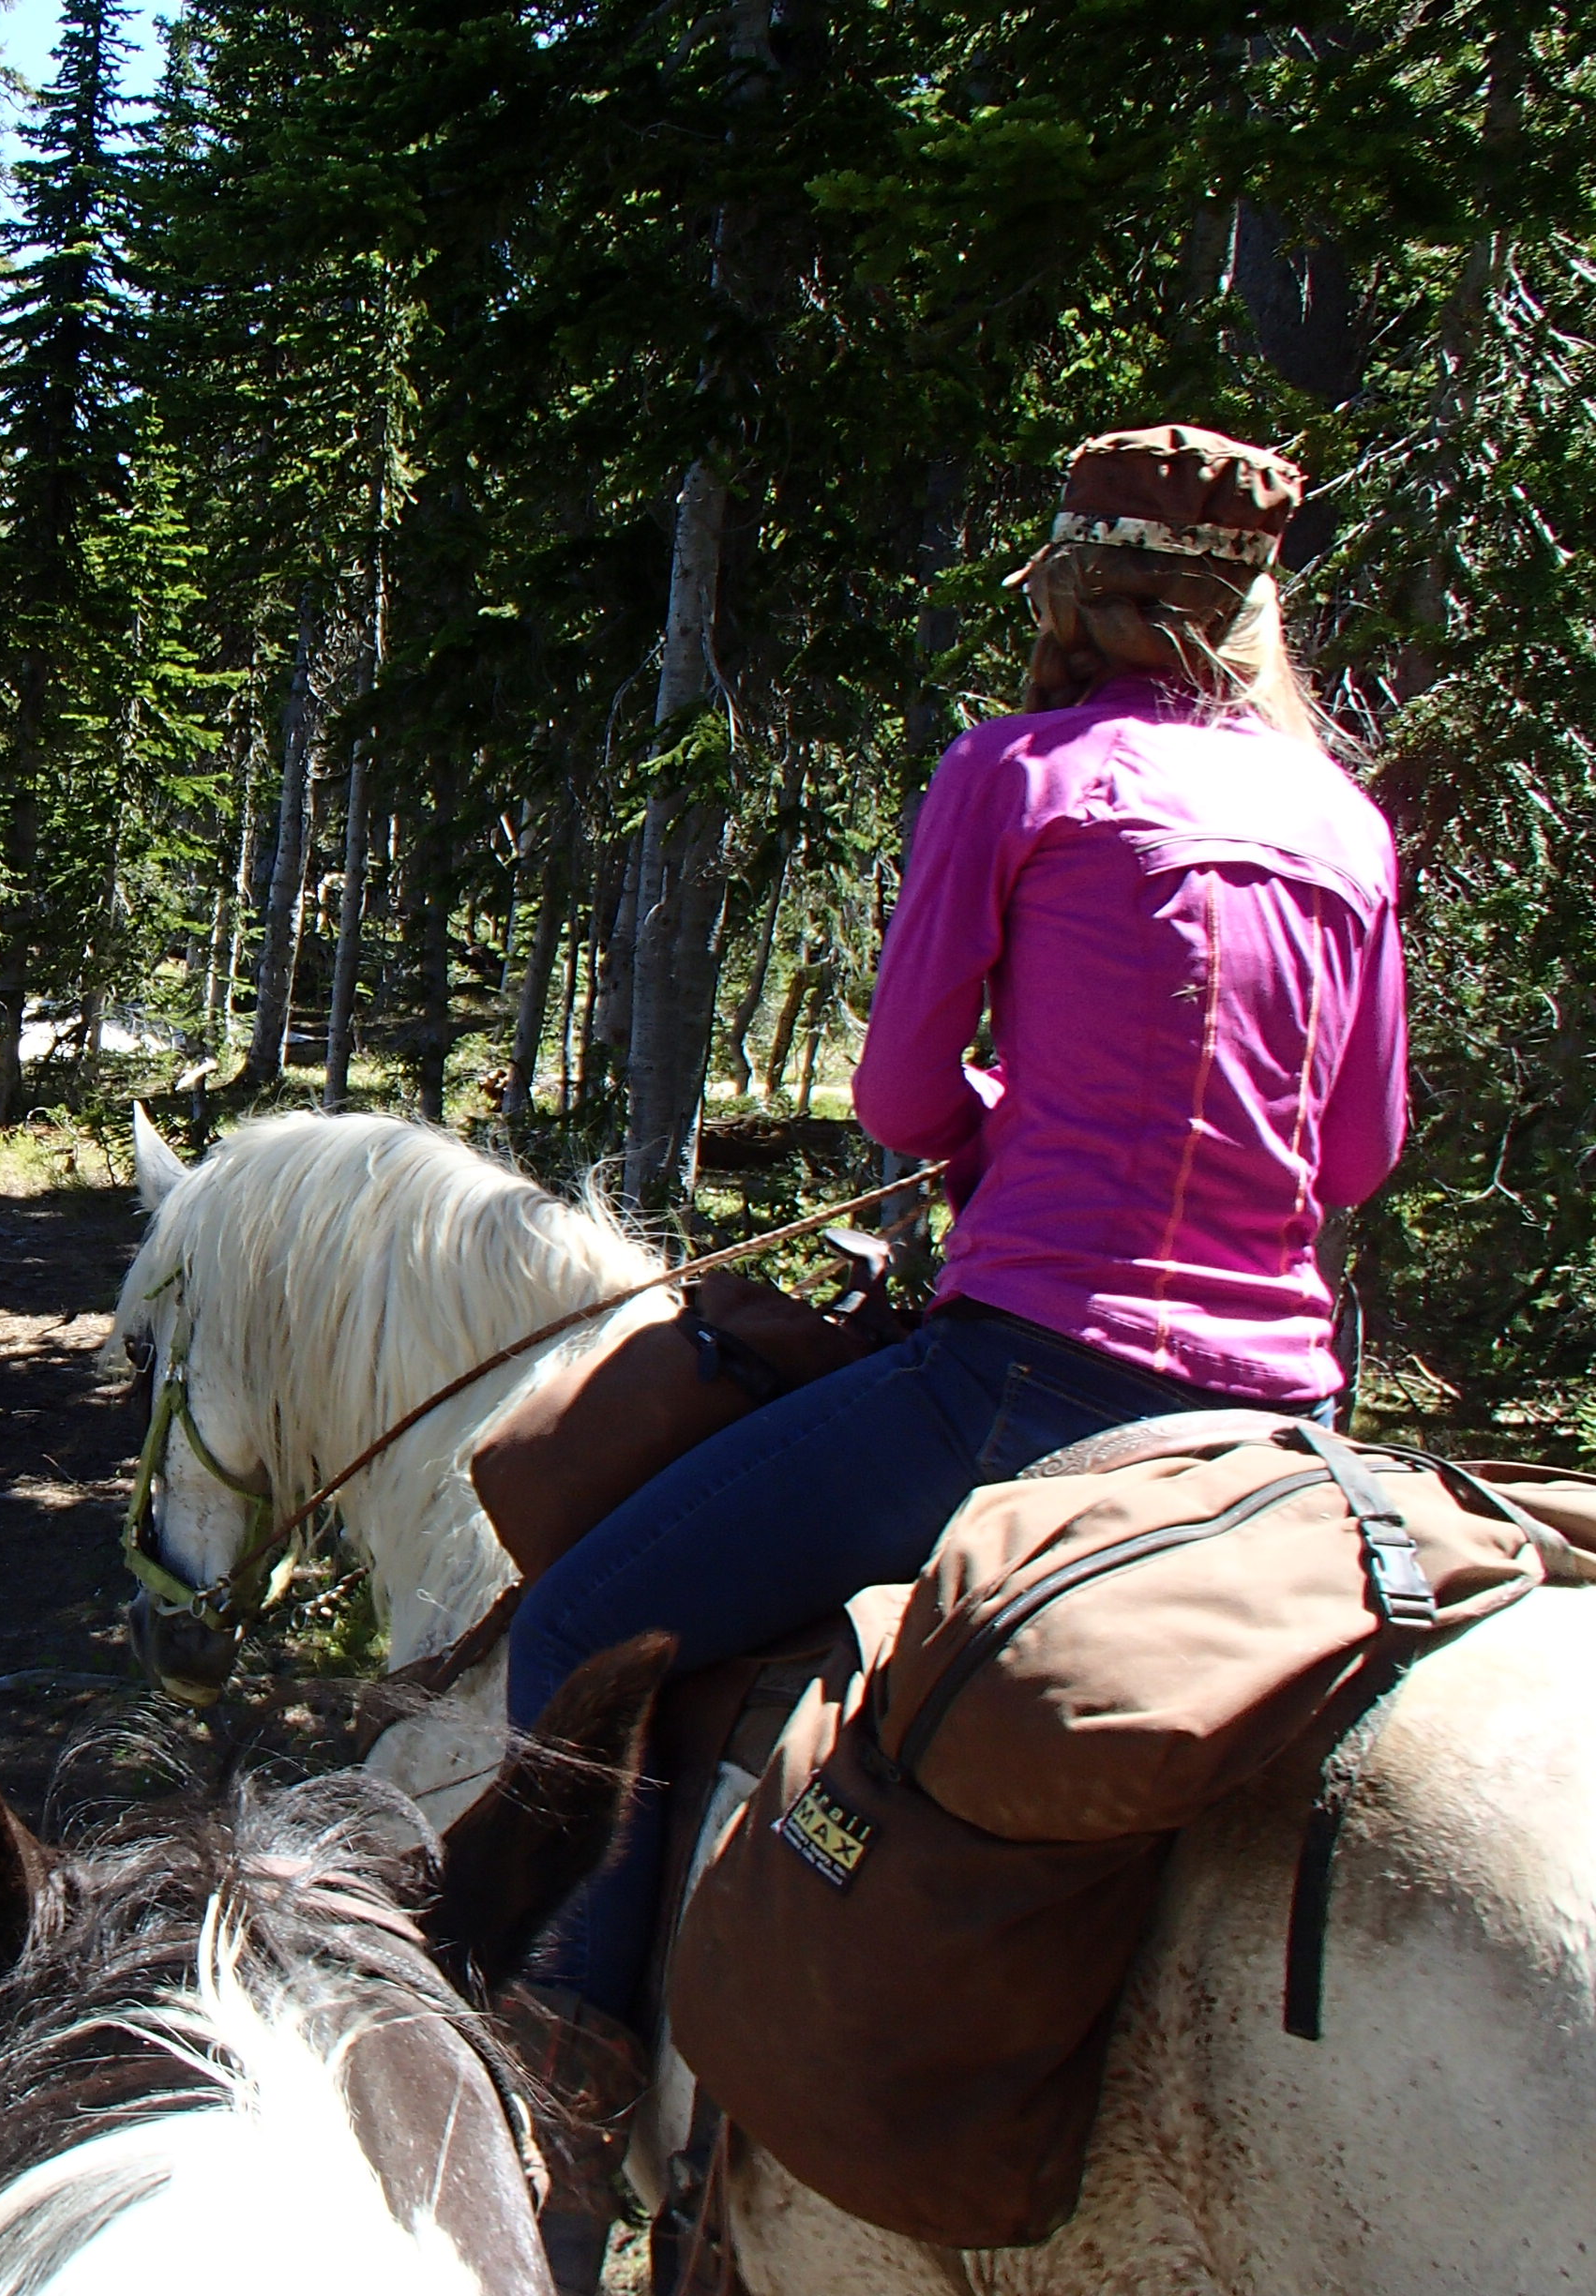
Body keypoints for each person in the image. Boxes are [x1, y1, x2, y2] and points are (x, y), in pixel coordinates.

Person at [493, 424, 1408, 2273]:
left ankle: (568, 2112)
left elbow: (905, 1098)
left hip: (1027, 1389)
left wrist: (1014, 1124)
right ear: (1255, 615)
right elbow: (1359, 1153)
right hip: (1287, 1427)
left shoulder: (1018, 773)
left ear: (1073, 591)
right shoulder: (1349, 826)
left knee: (580, 1633)